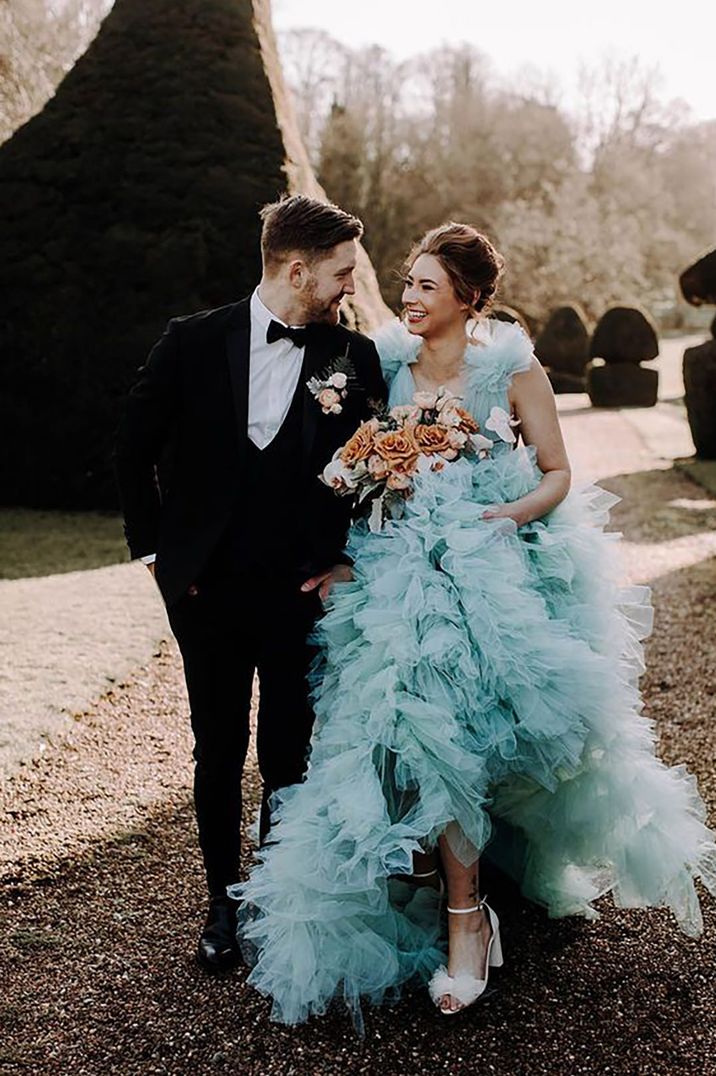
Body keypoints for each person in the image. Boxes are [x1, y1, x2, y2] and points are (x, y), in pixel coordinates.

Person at [234, 222, 716, 1025]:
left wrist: (506, 514)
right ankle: (431, 882)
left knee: (464, 737)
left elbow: (559, 472)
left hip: (493, 571)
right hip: (393, 572)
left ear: (467, 296)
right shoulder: (379, 363)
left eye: (427, 285)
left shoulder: (511, 368)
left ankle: (469, 917)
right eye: (408, 282)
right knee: (390, 734)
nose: (411, 297)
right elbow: (347, 458)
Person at [114, 195, 387, 973]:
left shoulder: (354, 359)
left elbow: (377, 476)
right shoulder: (192, 342)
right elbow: (133, 448)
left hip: (301, 593)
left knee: (288, 754)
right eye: (339, 273)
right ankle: (218, 902)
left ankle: (272, 896)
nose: (347, 287)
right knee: (217, 747)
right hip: (205, 594)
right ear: (296, 269)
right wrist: (155, 556)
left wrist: (347, 563)